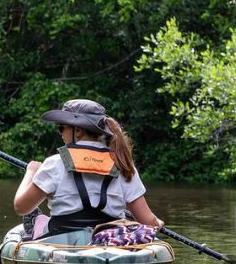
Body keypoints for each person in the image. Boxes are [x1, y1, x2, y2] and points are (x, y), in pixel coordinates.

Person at [13, 98, 163, 239]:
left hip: (60, 244)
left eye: (61, 128)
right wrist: (157, 223)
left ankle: (35, 223)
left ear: (77, 131)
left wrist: (31, 172)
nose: (60, 134)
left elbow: (21, 207)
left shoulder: (54, 163)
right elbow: (148, 222)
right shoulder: (123, 165)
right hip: (107, 243)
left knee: (40, 219)